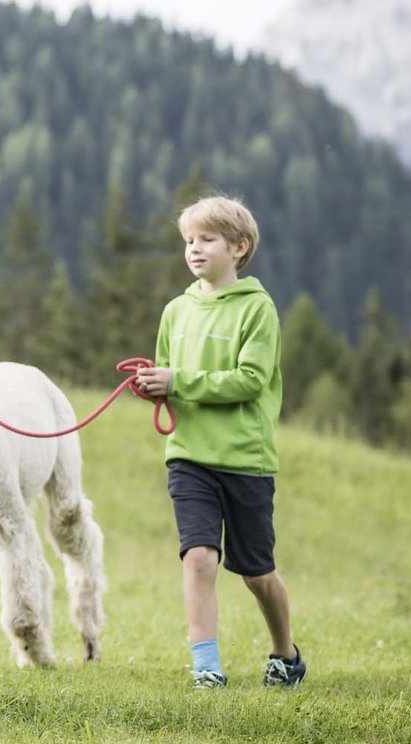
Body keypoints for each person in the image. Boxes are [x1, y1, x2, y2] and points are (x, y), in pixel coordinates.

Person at [132, 196, 305, 689]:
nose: (195, 249)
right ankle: (206, 666)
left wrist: (178, 381)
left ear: (239, 247)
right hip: (189, 457)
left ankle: (284, 653)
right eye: (189, 240)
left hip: (246, 460)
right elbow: (172, 384)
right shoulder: (175, 311)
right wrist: (155, 389)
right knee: (199, 557)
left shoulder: (258, 309)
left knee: (256, 573)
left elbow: (250, 380)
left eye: (207, 239)